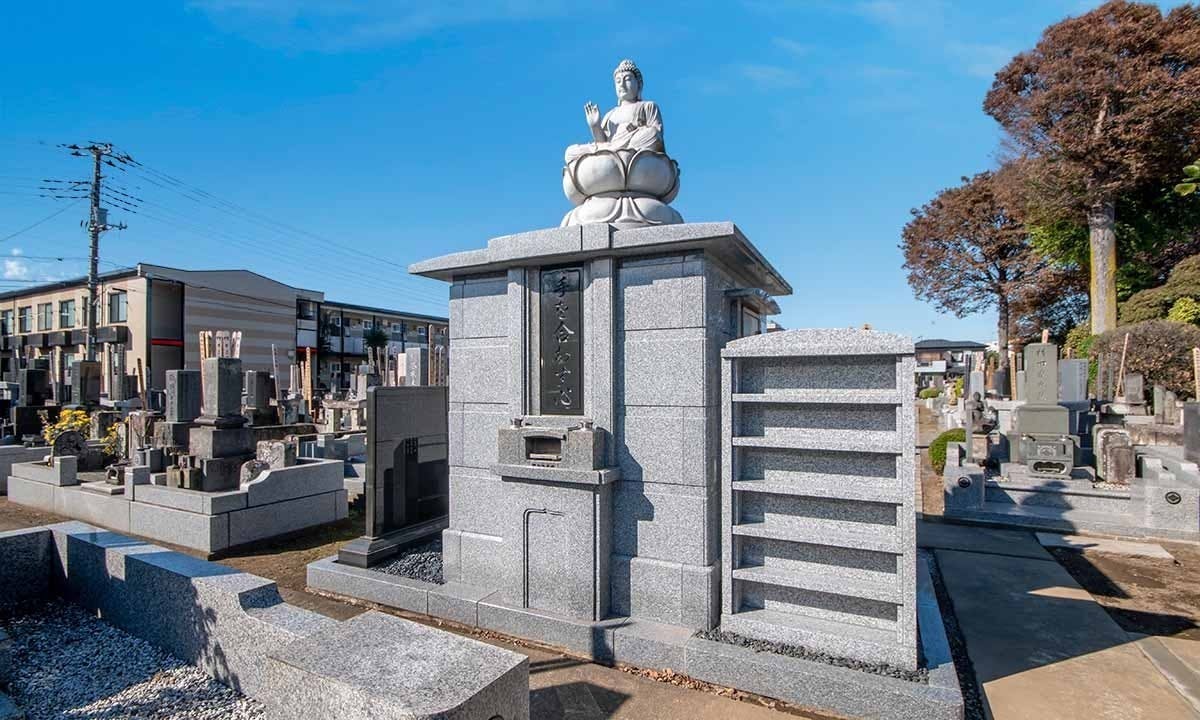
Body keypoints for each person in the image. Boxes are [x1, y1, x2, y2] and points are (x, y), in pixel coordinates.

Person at [565, 59, 665, 164]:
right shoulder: (610, 114)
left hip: (634, 151)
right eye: (618, 81)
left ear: (639, 84)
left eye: (627, 79)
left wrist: (637, 130)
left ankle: (619, 155)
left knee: (652, 133)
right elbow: (602, 142)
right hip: (609, 150)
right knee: (570, 152)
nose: (622, 84)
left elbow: (657, 136)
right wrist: (595, 126)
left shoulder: (647, 106)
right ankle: (615, 154)